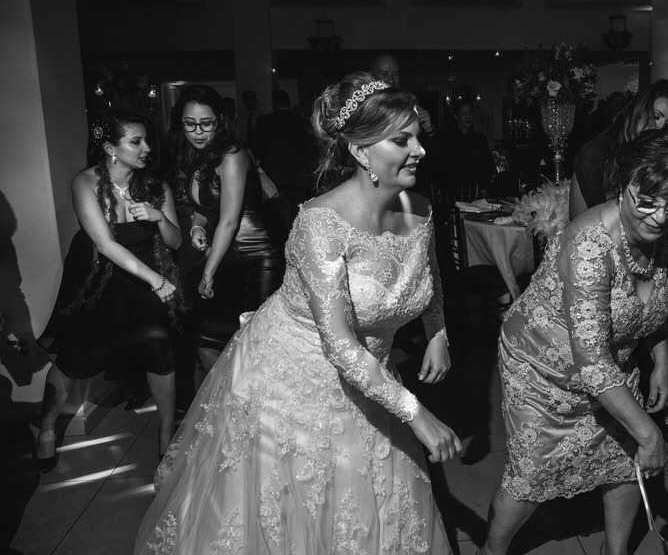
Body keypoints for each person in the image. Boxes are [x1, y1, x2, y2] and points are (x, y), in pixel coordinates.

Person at [135, 72, 462, 554]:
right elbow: (341, 345)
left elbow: (429, 277)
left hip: (372, 375)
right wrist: (416, 413)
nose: (420, 150)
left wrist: (437, 333)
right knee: (301, 511)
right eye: (402, 140)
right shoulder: (321, 224)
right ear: (361, 152)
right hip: (294, 382)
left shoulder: (420, 209)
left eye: (417, 136)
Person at [479, 130, 668, 555]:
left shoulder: (664, 235)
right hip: (540, 368)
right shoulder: (588, 246)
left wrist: (662, 360)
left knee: (624, 459)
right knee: (532, 473)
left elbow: (651, 306)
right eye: (647, 201)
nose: (659, 218)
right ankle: (491, 550)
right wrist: (650, 434)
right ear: (622, 186)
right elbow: (592, 363)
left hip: (608, 363)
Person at [36, 112, 182, 469]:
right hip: (98, 276)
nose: (147, 148)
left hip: (143, 275)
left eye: (146, 140)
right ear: (110, 148)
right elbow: (104, 244)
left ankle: (166, 432)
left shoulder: (157, 187)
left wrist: (160, 218)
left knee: (158, 350)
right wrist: (157, 280)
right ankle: (47, 427)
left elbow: (175, 242)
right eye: (136, 141)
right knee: (76, 356)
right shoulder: (84, 182)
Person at [167, 84, 282, 374]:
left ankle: (251, 401)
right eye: (190, 124)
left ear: (220, 120)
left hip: (254, 256)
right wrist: (197, 227)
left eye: (206, 123)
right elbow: (203, 207)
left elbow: (229, 220)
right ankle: (228, 400)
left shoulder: (232, 154)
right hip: (224, 253)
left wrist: (208, 273)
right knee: (207, 341)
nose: (197, 132)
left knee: (253, 345)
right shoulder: (198, 154)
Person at [569, 79, 668, 219]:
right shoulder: (595, 156)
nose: (660, 127)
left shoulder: (658, 158)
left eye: (667, 124)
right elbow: (578, 223)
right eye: (656, 117)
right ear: (638, 113)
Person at [251, 89, 316, 234]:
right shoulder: (300, 120)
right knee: (300, 221)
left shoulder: (264, 121)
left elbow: (256, 149)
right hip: (299, 178)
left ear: (273, 104)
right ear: (289, 102)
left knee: (278, 224)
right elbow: (310, 148)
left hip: (274, 180)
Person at [438, 98, 496, 191]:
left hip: (476, 191)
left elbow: (487, 166)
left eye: (470, 113)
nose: (468, 117)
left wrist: (484, 187)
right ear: (456, 116)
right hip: (453, 191)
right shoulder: (448, 139)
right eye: (463, 114)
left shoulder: (479, 139)